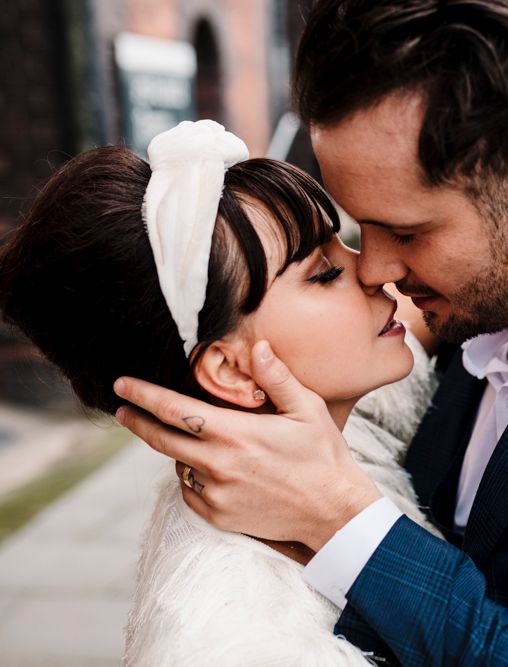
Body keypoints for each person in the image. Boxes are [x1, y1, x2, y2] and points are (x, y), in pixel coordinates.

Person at [113, 2, 508, 665]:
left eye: (406, 231)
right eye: (358, 226)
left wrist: (346, 525)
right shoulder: (480, 282)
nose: (374, 271)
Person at [0, 120, 443, 665]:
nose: (371, 270)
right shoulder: (240, 642)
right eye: (324, 272)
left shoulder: (345, 424)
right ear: (231, 371)